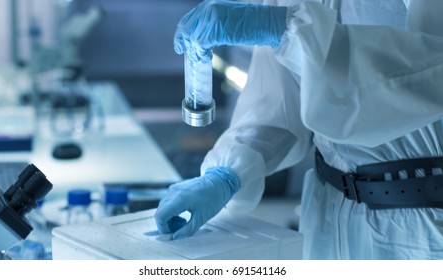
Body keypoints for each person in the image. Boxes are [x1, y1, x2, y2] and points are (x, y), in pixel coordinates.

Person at [155, 0, 443, 259]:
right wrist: (227, 173)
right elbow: (281, 100)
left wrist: (287, 30)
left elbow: (429, 74)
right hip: (327, 217)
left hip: (423, 225)